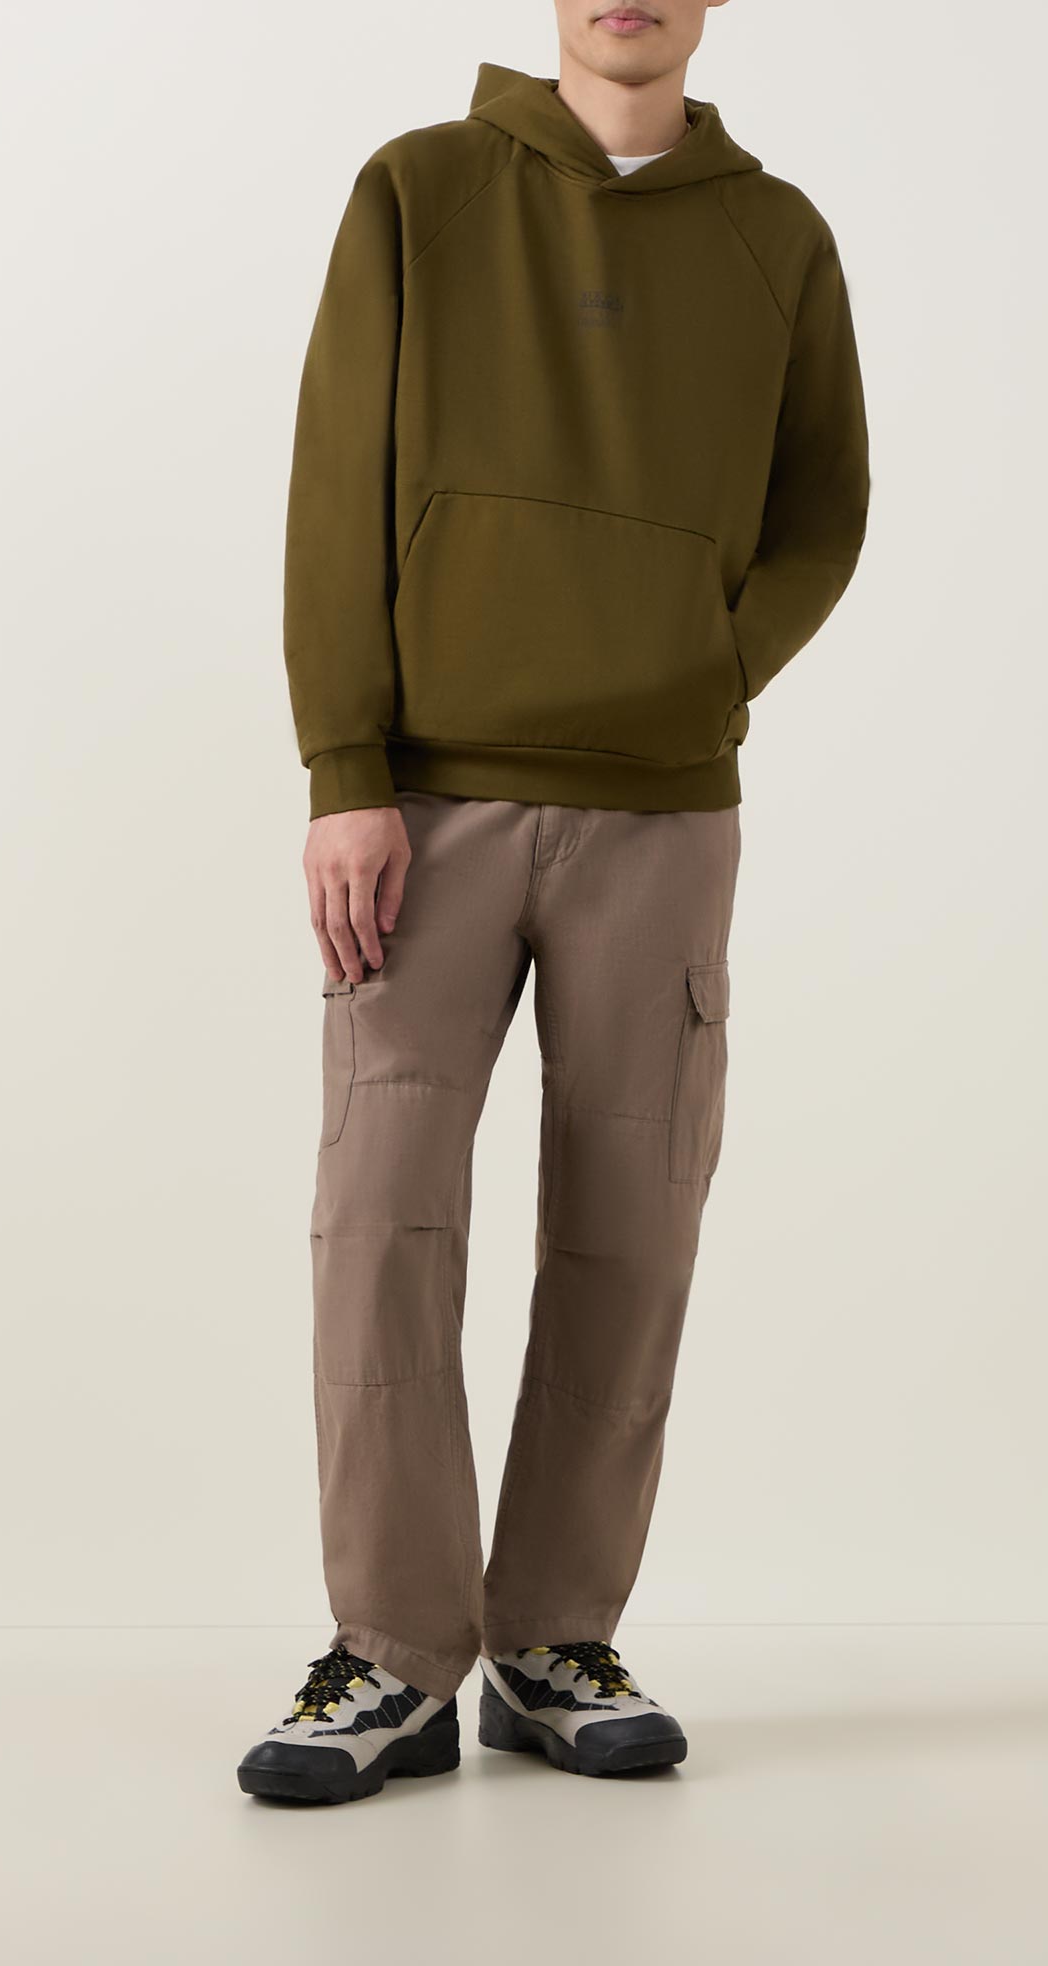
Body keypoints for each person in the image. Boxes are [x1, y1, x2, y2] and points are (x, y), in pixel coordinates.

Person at [237, 0, 868, 1805]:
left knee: (630, 1228)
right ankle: (389, 1653)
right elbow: (334, 485)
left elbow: (824, 508)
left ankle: (554, 1639)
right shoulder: (420, 190)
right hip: (423, 807)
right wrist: (345, 770)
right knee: (382, 1221)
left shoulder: (777, 236)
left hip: (663, 812)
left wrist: (703, 671)